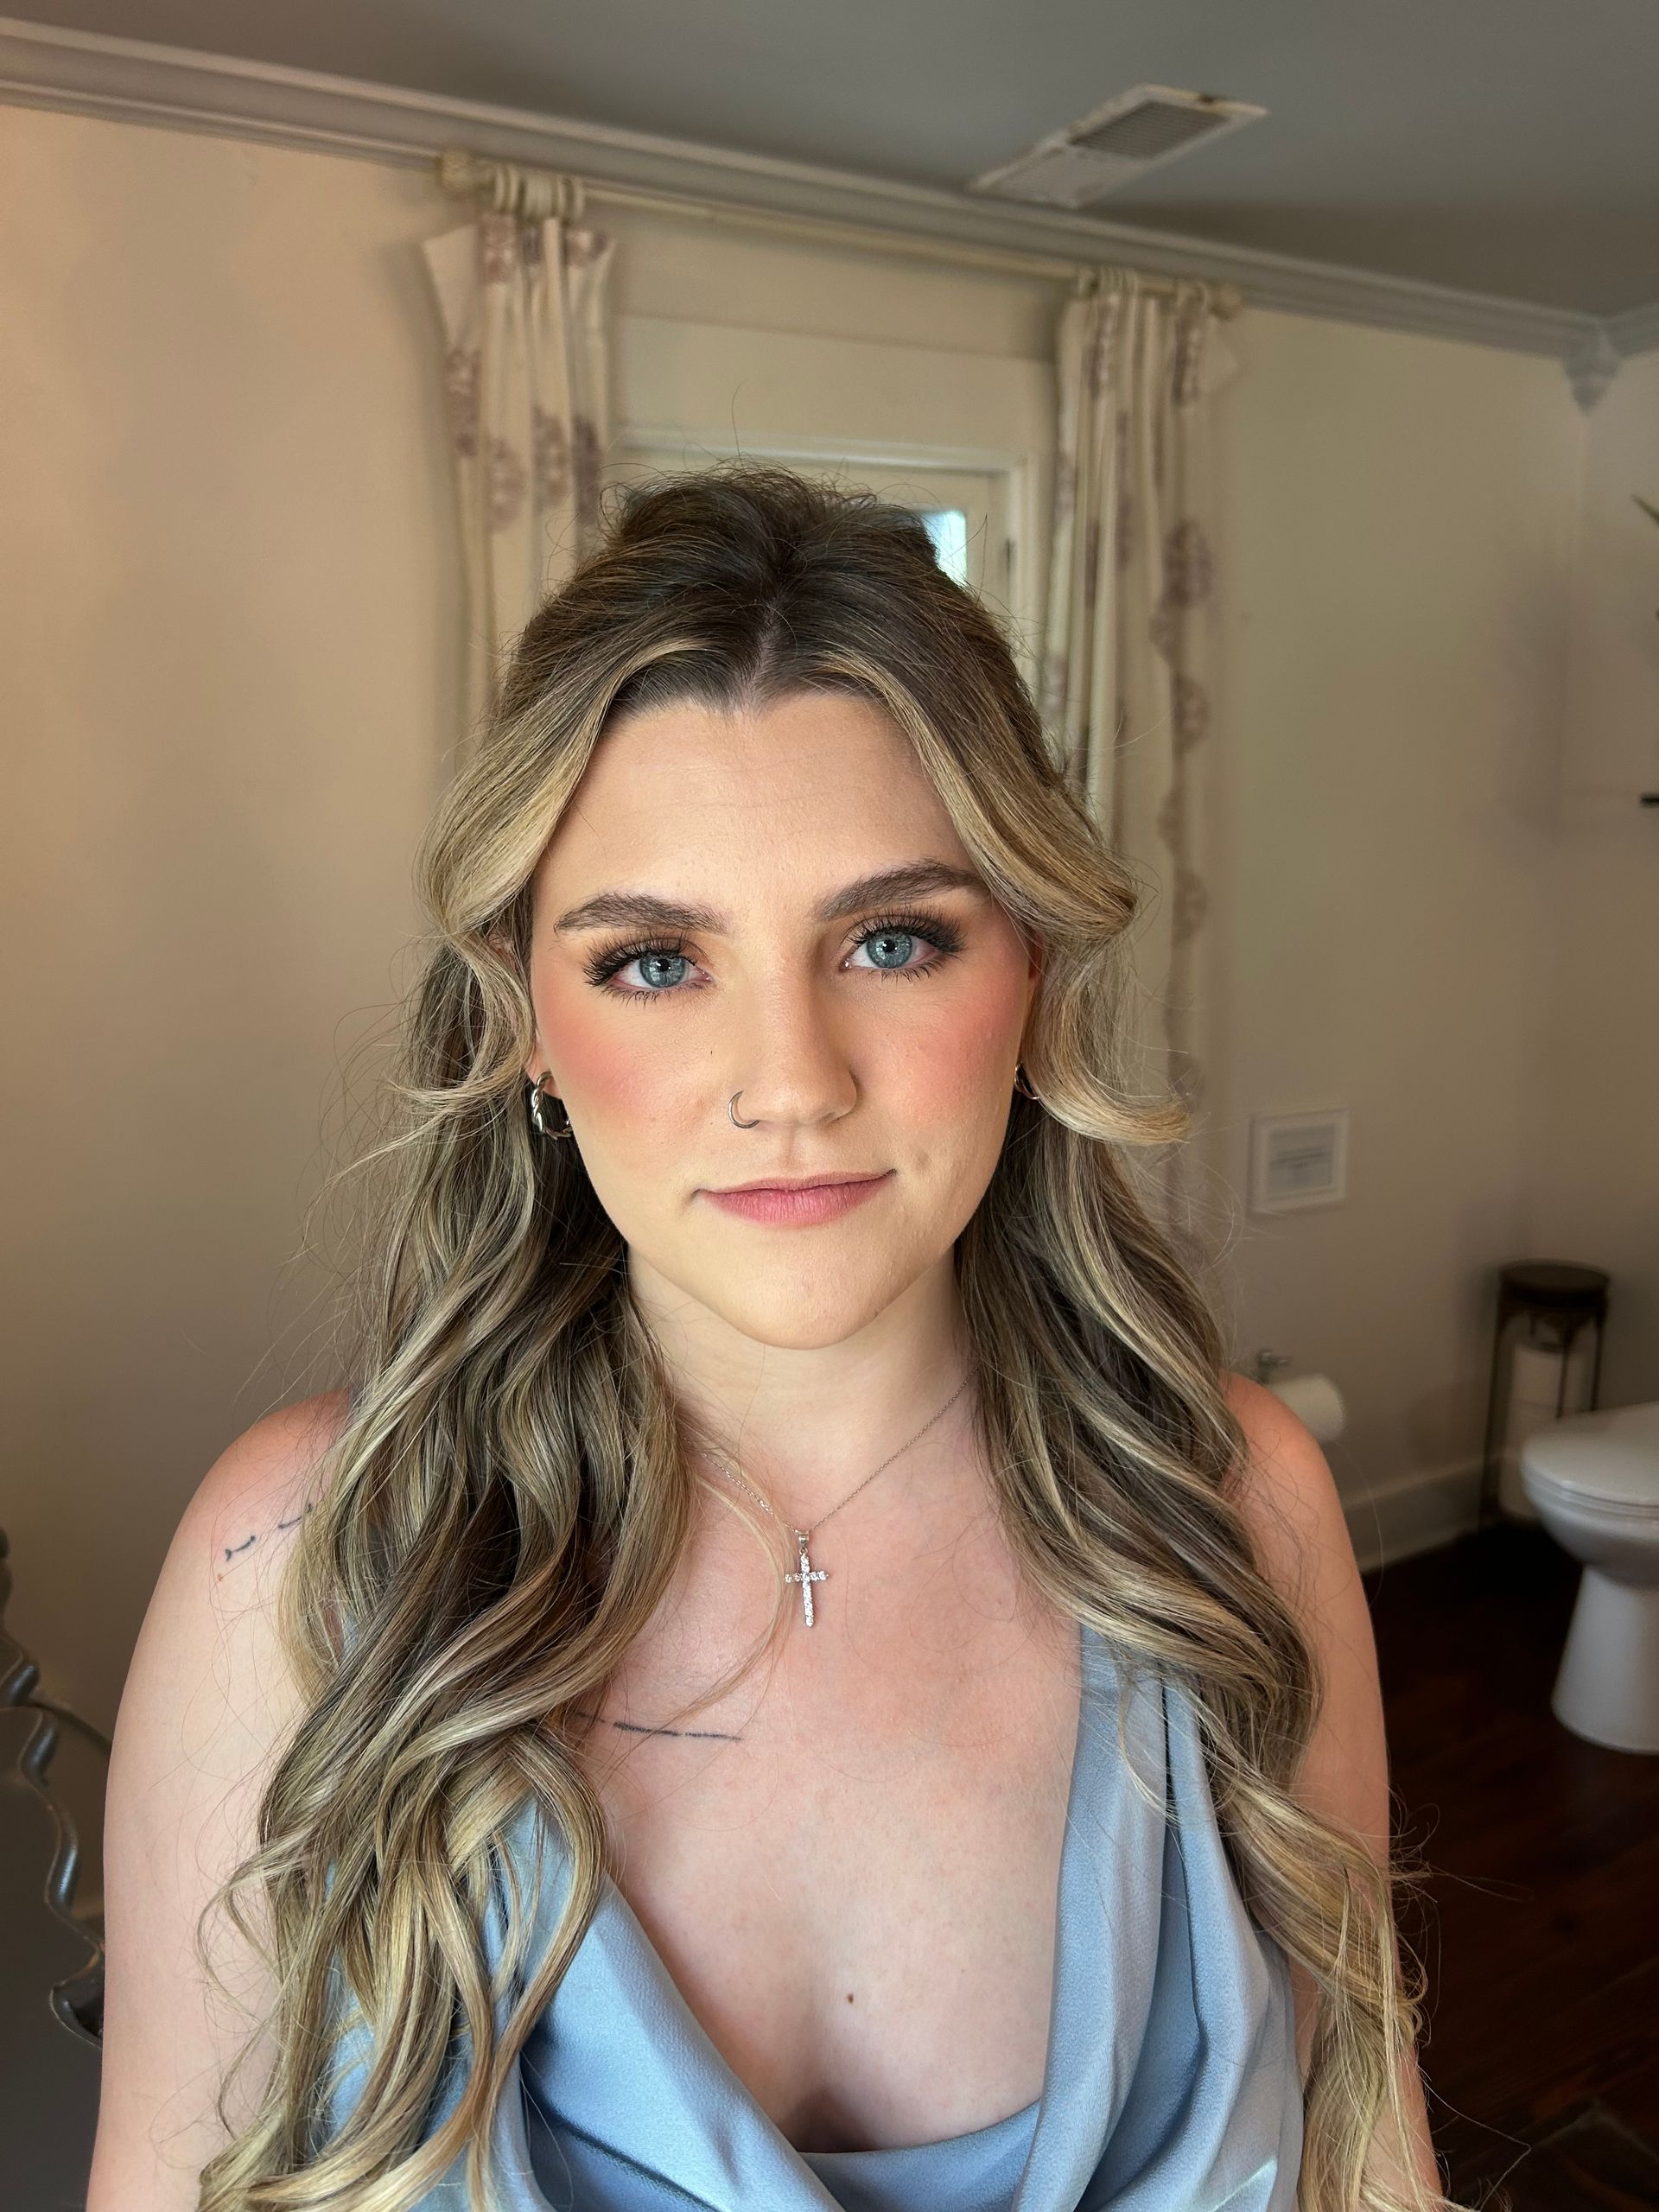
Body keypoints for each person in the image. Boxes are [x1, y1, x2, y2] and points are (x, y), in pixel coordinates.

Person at [90, 464, 1455, 2212]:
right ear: (524, 1013)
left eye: (891, 939)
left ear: (1031, 969)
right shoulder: (296, 1564)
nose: (792, 1083)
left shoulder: (1241, 1510)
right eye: (658, 961)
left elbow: (1372, 2164)